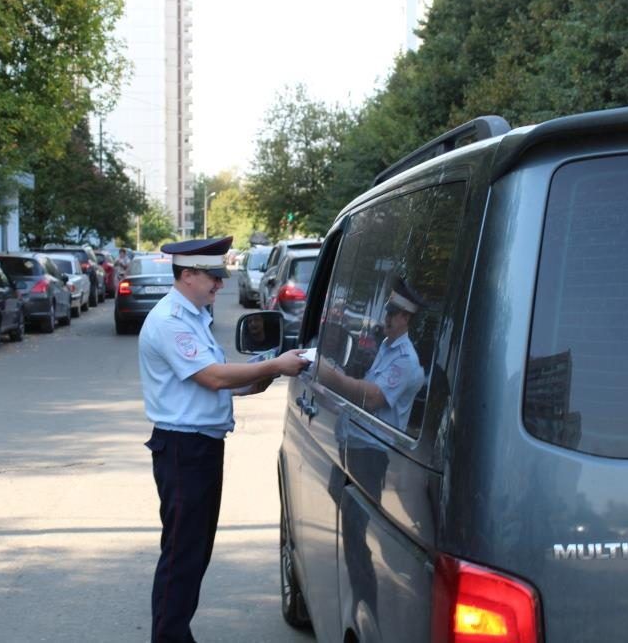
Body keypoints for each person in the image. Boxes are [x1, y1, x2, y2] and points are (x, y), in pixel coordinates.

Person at [138, 235, 309, 643]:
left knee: (194, 554)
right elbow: (213, 376)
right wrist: (273, 365)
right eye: (213, 276)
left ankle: (176, 633)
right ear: (188, 274)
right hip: (183, 449)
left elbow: (217, 379)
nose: (220, 284)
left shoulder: (194, 314)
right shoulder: (171, 321)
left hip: (198, 447)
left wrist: (261, 376)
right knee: (182, 556)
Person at [319, 276, 425, 431]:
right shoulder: (387, 345)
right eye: (387, 312)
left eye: (392, 314)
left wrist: (333, 377)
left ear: (406, 318)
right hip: (357, 441)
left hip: (372, 448)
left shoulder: (406, 359)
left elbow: (372, 399)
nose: (386, 318)